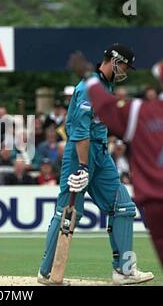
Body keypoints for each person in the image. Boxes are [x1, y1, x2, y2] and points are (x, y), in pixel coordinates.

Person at [37, 44, 154, 286]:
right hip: (81, 155)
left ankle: (123, 270)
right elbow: (80, 133)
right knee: (67, 214)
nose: (126, 71)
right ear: (113, 60)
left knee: (124, 207)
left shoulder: (105, 86)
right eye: (124, 65)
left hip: (101, 154)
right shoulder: (87, 89)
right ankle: (47, 273)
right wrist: (82, 166)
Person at [68, 51, 163, 266]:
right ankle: (123, 269)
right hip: (90, 153)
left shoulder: (141, 111)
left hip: (156, 201)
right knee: (118, 208)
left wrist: (89, 77)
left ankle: (123, 269)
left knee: (124, 207)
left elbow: (106, 107)